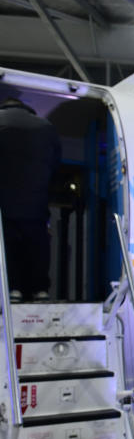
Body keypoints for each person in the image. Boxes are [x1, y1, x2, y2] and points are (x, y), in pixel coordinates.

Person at [0, 97, 61, 302]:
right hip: (36, 202)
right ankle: (40, 290)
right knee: (37, 245)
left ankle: (13, 288)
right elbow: (55, 163)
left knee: (9, 246)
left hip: (5, 202)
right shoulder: (46, 126)